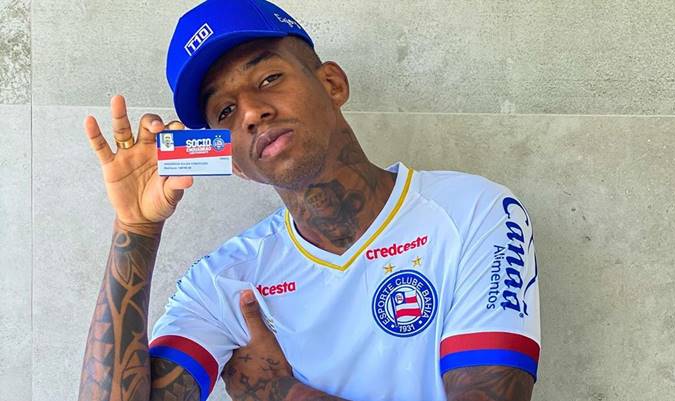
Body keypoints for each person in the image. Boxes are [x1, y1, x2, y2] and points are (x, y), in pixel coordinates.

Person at [78, 0, 541, 400]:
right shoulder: (226, 281)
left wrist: (283, 393)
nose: (252, 112)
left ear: (332, 84)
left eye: (268, 78)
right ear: (231, 160)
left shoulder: (473, 211)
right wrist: (135, 229)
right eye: (225, 110)